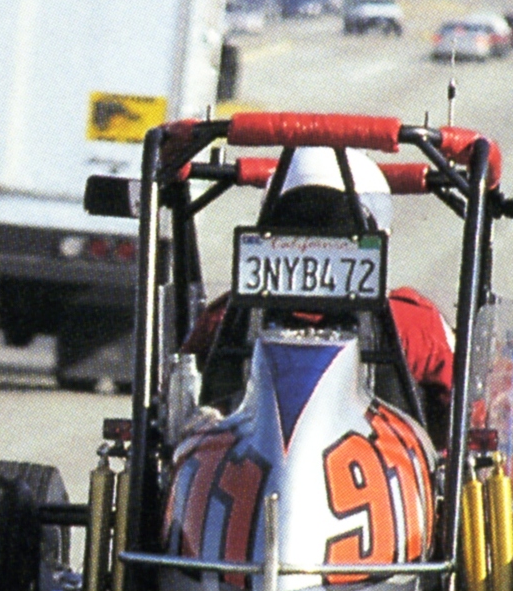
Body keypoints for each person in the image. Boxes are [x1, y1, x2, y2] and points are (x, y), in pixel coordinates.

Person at [183, 147, 455, 429]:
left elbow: (181, 410)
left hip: (247, 469)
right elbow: (466, 414)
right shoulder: (413, 325)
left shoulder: (225, 320)